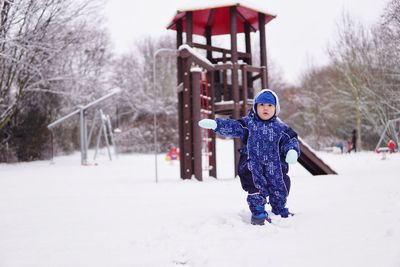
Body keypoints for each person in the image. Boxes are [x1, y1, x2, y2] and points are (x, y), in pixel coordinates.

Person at [198, 89, 300, 225]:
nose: (265, 108)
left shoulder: (281, 128)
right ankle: (258, 211)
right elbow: (233, 126)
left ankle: (279, 207)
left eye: (270, 105)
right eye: (262, 105)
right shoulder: (248, 124)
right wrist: (217, 125)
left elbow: (291, 140)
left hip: (275, 166)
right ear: (255, 107)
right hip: (253, 163)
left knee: (280, 186)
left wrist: (292, 151)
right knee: (255, 186)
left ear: (276, 108)